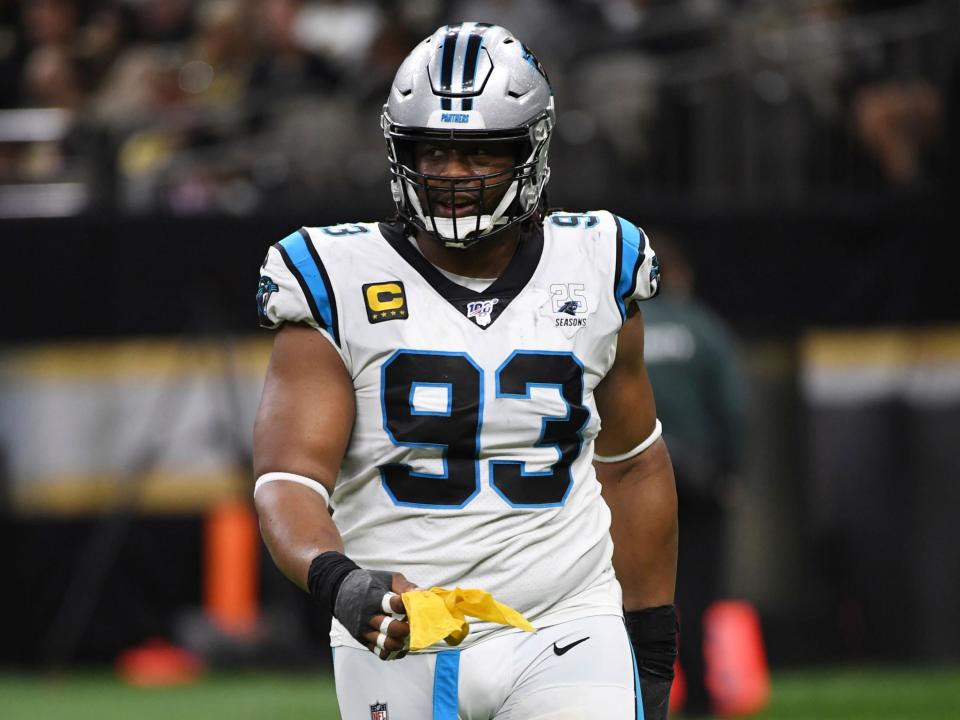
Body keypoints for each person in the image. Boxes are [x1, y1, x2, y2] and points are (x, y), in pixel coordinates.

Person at [252, 23, 678, 720]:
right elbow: (287, 480)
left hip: (565, 620)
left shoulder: (599, 263)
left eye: (481, 152)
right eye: (434, 149)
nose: (452, 173)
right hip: (401, 629)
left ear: (530, 152)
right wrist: (341, 583)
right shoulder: (333, 278)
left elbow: (633, 464)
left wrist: (652, 635)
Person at [642, 234, 746, 717]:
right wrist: (731, 469)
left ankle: (634, 693)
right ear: (681, 276)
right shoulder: (704, 328)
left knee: (633, 592)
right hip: (698, 479)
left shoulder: (624, 327)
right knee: (699, 590)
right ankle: (701, 696)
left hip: (635, 479)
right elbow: (733, 406)